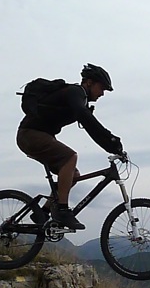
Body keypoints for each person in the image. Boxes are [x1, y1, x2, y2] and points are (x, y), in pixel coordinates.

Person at [16, 63, 124, 230]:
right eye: (101, 88)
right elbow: (88, 121)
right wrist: (111, 141)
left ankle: (43, 212)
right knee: (69, 157)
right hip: (30, 134)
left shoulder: (80, 99)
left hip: (37, 135)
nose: (102, 93)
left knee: (72, 175)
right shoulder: (76, 93)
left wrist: (112, 145)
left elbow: (90, 126)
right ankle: (62, 209)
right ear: (89, 82)